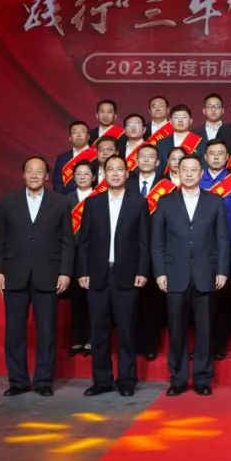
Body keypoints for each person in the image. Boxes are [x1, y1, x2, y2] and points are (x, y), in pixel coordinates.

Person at [0, 156, 74, 397]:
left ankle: (43, 381)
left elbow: (67, 240)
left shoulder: (60, 202)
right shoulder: (8, 201)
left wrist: (65, 272)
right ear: (23, 175)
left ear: (47, 176)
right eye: (30, 171)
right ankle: (18, 381)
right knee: (14, 332)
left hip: (48, 275)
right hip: (14, 274)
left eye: (39, 171)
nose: (34, 175)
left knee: (46, 331)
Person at [151, 154, 231, 396]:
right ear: (177, 171)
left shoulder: (215, 201)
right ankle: (178, 378)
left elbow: (223, 239)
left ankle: (202, 378)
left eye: (193, 170)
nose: (188, 174)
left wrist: (222, 270)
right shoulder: (165, 202)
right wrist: (160, 272)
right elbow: (157, 241)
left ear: (201, 173)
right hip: (174, 274)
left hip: (206, 274)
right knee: (176, 330)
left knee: (204, 330)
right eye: (184, 169)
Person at [77, 155, 150, 397]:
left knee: (127, 330)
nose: (116, 173)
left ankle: (127, 380)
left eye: (120, 169)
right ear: (103, 174)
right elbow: (84, 242)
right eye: (111, 169)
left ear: (127, 174)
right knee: (98, 331)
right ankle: (102, 381)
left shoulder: (138, 203)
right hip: (97, 275)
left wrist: (142, 271)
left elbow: (144, 241)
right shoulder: (93, 203)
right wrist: (83, 271)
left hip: (127, 276)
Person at [202, 139, 231, 361]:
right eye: (212, 153)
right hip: (200, 251)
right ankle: (203, 346)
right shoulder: (196, 179)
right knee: (202, 301)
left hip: (226, 249)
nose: (216, 157)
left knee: (223, 302)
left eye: (221, 153)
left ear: (228, 156)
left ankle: (218, 344)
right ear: (205, 157)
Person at [129, 144, 167, 361]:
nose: (145, 160)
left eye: (150, 157)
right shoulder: (127, 183)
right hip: (132, 249)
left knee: (152, 301)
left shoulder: (167, 185)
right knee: (132, 300)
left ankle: (151, 344)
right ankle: (133, 344)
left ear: (158, 162)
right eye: (141, 156)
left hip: (158, 247)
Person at [66, 161, 96, 356]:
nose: (82, 177)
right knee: (77, 300)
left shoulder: (100, 197)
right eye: (78, 174)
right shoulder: (65, 200)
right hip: (74, 256)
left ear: (94, 177)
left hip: (95, 255)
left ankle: (92, 339)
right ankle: (78, 338)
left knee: (94, 300)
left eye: (86, 174)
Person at [53, 121, 95, 194]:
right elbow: (57, 183)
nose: (79, 135)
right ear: (70, 138)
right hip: (68, 199)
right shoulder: (62, 158)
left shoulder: (96, 155)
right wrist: (63, 199)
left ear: (88, 137)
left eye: (82, 132)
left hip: (94, 198)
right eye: (75, 132)